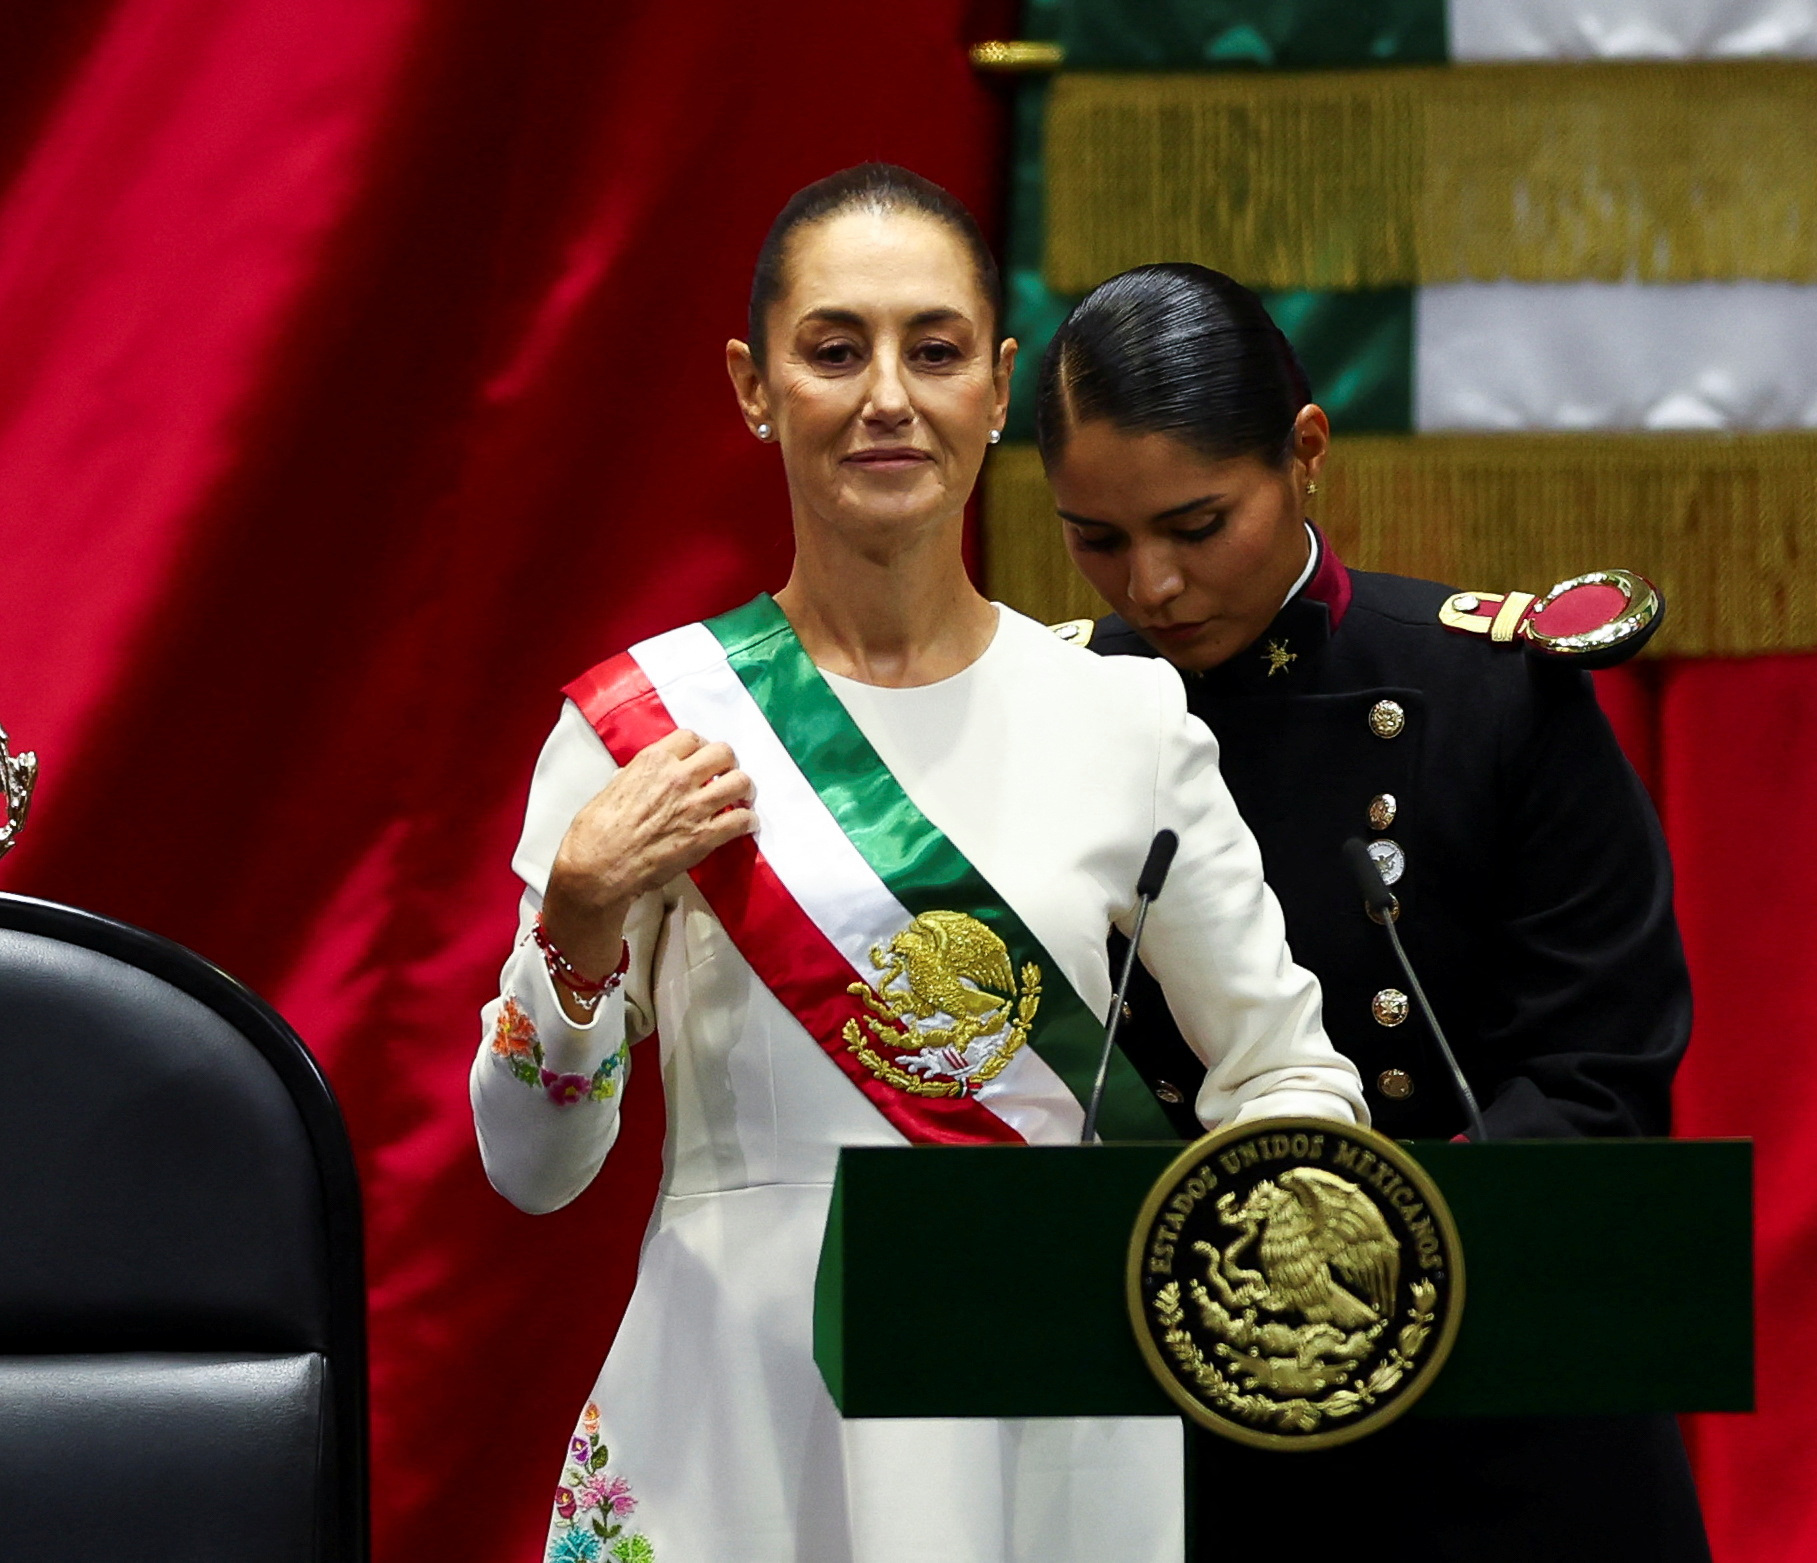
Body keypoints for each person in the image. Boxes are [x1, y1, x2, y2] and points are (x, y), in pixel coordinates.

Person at [470, 167, 1367, 1563]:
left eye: (933, 349)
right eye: (834, 350)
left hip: (1048, 1405)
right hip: (747, 1408)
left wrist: (1222, 1282)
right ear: (752, 385)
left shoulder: (1123, 722)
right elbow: (531, 1169)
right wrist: (580, 916)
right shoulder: (642, 727)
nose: (886, 394)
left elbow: (1290, 1075)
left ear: (998, 388)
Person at [1033, 261, 1706, 1561]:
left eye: (1193, 524)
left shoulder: (1491, 696)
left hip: (1488, 1411)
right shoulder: (1042, 716)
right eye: (1096, 539)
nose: (1151, 588)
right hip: (1173, 1422)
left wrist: (1367, 1267)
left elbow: (1597, 1074)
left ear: (1304, 454)